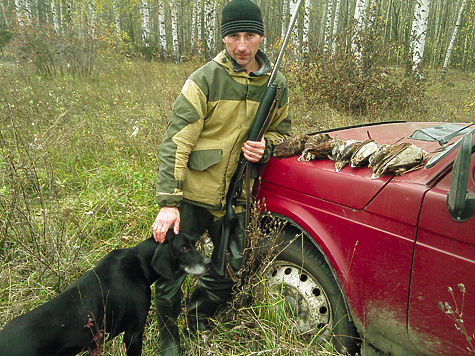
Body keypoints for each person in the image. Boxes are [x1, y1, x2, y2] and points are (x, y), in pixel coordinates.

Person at [151, 0, 290, 354]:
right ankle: (169, 336)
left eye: (249, 36)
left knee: (230, 269)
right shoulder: (204, 79)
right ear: (224, 38)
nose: (242, 46)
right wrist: (169, 203)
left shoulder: (276, 85)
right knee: (168, 269)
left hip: (238, 194)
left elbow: (282, 133)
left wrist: (267, 148)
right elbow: (176, 140)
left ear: (261, 36)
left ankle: (197, 322)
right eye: (233, 37)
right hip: (194, 195)